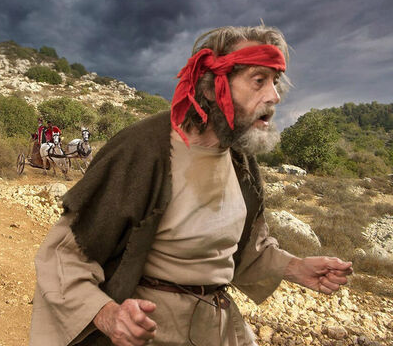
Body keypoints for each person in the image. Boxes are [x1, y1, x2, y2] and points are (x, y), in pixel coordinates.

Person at [29, 25, 353, 346]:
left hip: (220, 327)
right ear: (213, 88)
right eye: (258, 81)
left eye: (275, 81)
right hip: (154, 329)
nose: (274, 96)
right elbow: (64, 256)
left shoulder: (240, 159)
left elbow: (243, 247)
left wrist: (296, 267)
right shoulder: (143, 150)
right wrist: (108, 314)